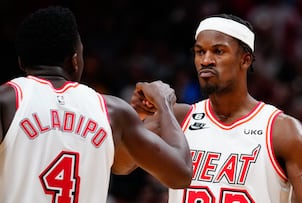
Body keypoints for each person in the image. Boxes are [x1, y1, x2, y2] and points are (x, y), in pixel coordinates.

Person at [0, 6, 192, 203]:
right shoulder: (113, 111)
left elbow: (120, 164)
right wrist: (164, 103)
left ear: (22, 62)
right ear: (75, 60)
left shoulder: (6, 100)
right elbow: (181, 174)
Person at [131, 14, 302, 202]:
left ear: (245, 59)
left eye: (218, 51)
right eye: (200, 51)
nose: (205, 60)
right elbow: (121, 165)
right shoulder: (179, 118)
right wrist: (141, 115)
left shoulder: (283, 131)